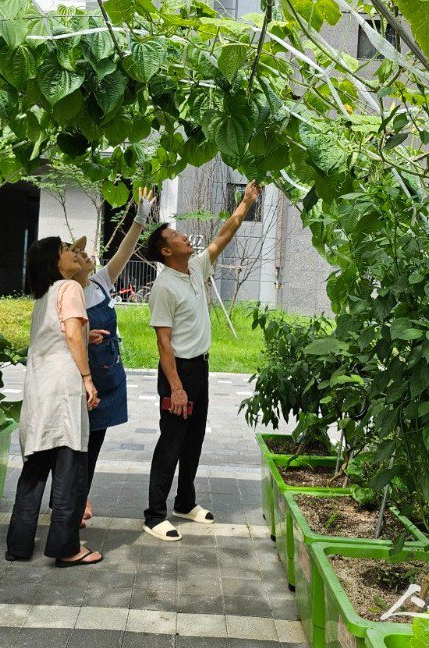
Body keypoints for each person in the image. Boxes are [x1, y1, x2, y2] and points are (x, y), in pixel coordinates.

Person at [141, 181, 262, 542]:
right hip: (179, 372)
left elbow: (224, 235)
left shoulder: (195, 267)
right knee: (172, 442)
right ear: (165, 250)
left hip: (201, 368)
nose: (184, 237)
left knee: (193, 440)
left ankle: (185, 502)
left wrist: (245, 202)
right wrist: (176, 387)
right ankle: (154, 515)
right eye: (176, 235)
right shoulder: (163, 288)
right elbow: (163, 344)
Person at [5, 237, 103, 567]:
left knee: (34, 469)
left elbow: (56, 334)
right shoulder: (69, 288)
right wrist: (88, 378)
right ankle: (65, 548)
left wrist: (83, 335)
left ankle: (18, 544)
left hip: (38, 388)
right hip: (63, 387)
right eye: (67, 250)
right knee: (69, 468)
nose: (75, 253)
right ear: (54, 261)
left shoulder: (43, 295)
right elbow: (71, 335)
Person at [66, 187, 156, 524]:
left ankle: (79, 497)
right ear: (70, 267)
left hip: (110, 379)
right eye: (81, 255)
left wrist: (142, 217)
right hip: (79, 382)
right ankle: (69, 502)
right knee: (75, 445)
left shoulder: (102, 282)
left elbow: (126, 249)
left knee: (94, 444)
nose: (88, 256)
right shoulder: (66, 293)